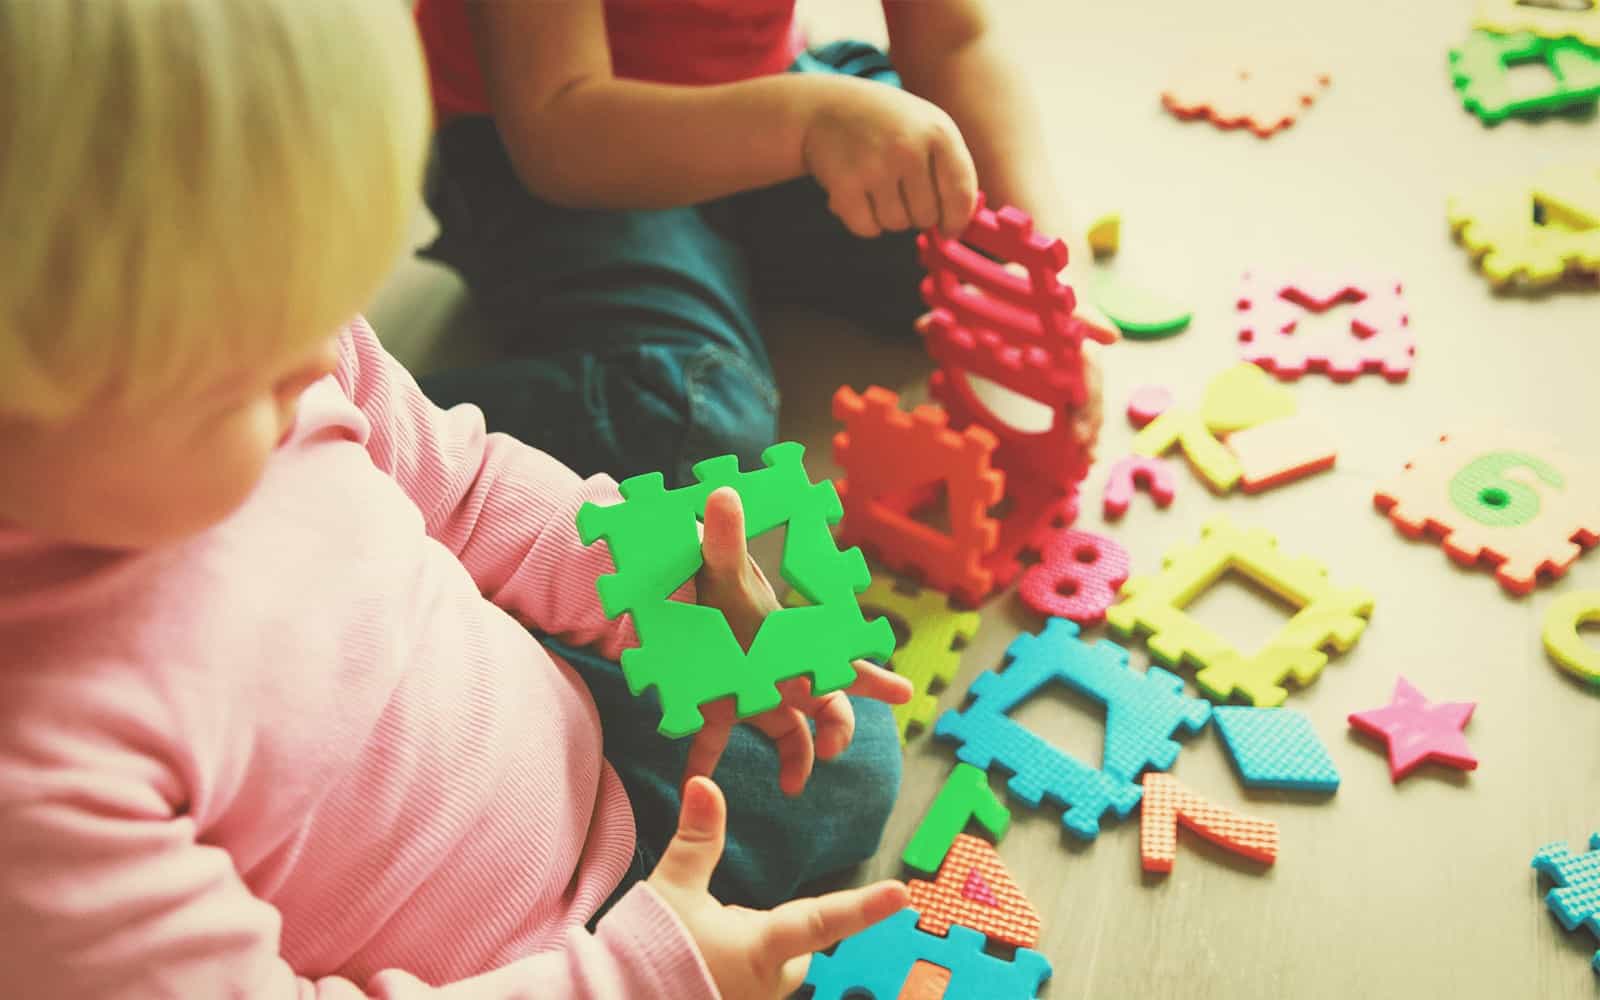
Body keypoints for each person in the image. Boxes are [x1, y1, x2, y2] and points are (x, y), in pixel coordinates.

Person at [0, 2, 911, 996]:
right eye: (247, 375)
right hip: (509, 963)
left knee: (843, 744)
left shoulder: (272, 341)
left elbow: (467, 485)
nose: (321, 358)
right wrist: (636, 975)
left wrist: (661, 584)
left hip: (566, 735)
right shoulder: (42, 795)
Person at [414, 0, 1105, 488]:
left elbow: (955, 39)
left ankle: (729, 249)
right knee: (696, 415)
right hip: (555, 158)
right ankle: (368, 420)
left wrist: (1048, 266)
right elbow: (556, 131)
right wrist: (809, 127)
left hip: (769, 98)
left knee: (960, 215)